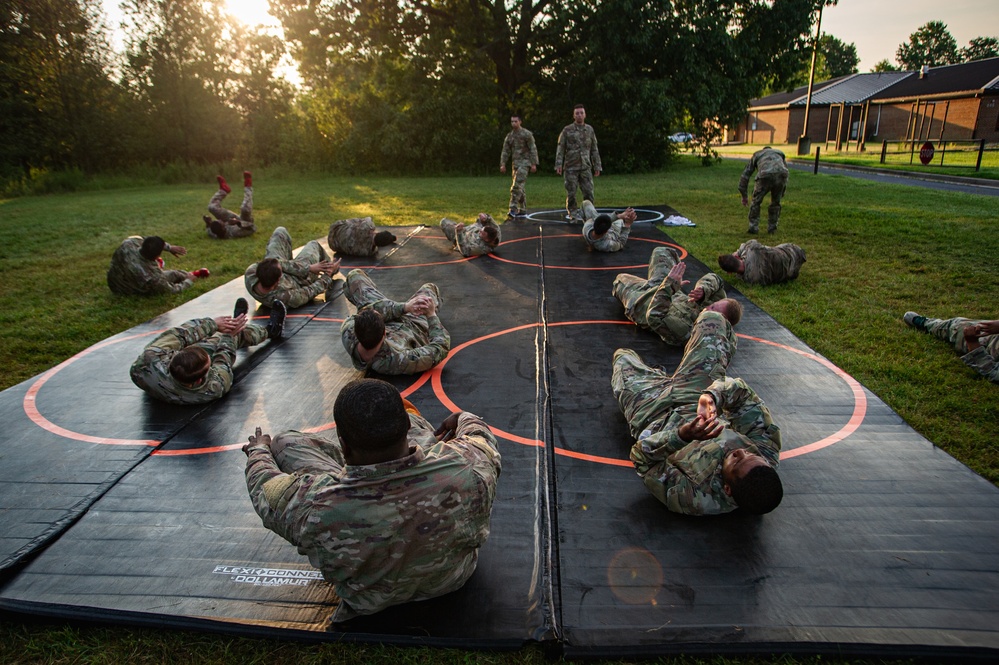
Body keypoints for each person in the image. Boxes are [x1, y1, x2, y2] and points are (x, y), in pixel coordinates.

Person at [242, 378, 501, 621]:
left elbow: (265, 488)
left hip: (369, 600)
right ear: (406, 430)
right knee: (411, 419)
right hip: (450, 580)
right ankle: (395, 437)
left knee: (285, 442)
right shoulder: (468, 465)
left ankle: (369, 450)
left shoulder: (315, 504)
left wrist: (258, 450)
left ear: (343, 446)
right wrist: (464, 418)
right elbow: (481, 438)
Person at [611, 309, 783, 516]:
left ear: (727, 488)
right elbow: (742, 395)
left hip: (652, 412)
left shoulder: (694, 497)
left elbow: (642, 459)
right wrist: (712, 397)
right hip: (695, 392)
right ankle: (680, 325)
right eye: (749, 453)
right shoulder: (765, 451)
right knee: (712, 319)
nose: (741, 452)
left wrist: (682, 436)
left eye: (736, 460)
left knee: (621, 357)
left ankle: (655, 377)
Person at [130, 298, 286, 405]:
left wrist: (213, 324)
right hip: (181, 380)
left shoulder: (147, 363)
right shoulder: (214, 387)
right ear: (199, 380)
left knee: (199, 336)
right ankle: (270, 331)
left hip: (160, 382)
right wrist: (228, 334)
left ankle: (231, 324)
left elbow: (179, 334)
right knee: (226, 338)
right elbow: (224, 358)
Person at [613, 247, 742, 346]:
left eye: (713, 310)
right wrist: (703, 289)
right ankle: (658, 280)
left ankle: (647, 284)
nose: (708, 308)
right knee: (663, 251)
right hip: (667, 286)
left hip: (642, 301)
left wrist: (670, 285)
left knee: (619, 280)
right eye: (712, 306)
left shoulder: (686, 331)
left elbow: (654, 315)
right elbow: (716, 279)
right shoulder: (711, 311)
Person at [340, 269, 450, 375]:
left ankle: (397, 308)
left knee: (355, 276)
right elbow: (440, 348)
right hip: (415, 325)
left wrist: (405, 307)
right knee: (429, 290)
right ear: (384, 334)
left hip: (396, 315)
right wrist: (431, 315)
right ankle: (432, 307)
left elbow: (368, 310)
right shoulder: (397, 360)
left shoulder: (349, 329)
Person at [244, 226, 341, 309]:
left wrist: (308, 267)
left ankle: (296, 264)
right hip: (301, 280)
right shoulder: (285, 297)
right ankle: (330, 267)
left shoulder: (251, 273)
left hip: (298, 270)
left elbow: (278, 262)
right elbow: (310, 291)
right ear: (277, 282)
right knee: (313, 245)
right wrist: (328, 275)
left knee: (280, 232)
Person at [903, 312, 999, 383]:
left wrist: (973, 343)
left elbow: (992, 372)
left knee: (957, 326)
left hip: (989, 345)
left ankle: (927, 324)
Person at [107, 235, 210, 296]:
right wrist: (188, 282)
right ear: (157, 256)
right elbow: (171, 290)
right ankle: (191, 276)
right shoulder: (153, 277)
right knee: (174, 274)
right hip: (128, 290)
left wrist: (169, 248)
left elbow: (145, 239)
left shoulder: (128, 244)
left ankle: (189, 274)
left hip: (114, 282)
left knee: (174, 274)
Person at [555, 104, 601, 221]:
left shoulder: (590, 130)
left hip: (585, 166)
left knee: (588, 192)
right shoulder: (567, 130)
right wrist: (559, 164)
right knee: (571, 192)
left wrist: (597, 165)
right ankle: (573, 213)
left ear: (585, 115)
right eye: (577, 113)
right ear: (573, 115)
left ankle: (588, 212)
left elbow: (594, 149)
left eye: (581, 113)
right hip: (571, 167)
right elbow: (561, 148)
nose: (579, 115)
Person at [739, 146, 789, 234]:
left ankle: (753, 227)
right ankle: (772, 228)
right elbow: (785, 171)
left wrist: (744, 195)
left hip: (764, 175)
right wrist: (782, 192)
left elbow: (745, 175)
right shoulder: (779, 153)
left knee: (756, 202)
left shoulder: (757, 154)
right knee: (775, 203)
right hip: (781, 175)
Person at [499, 114, 539, 218]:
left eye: (515, 121)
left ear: (520, 122)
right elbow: (505, 151)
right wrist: (503, 164)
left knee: (516, 186)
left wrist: (534, 163)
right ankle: (523, 208)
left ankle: (513, 208)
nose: (513, 123)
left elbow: (532, 148)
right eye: (512, 121)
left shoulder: (526, 134)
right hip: (515, 164)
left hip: (525, 163)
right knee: (520, 187)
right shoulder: (510, 136)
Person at [717, 239, 805, 286]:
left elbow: (741, 273)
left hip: (792, 272)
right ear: (736, 257)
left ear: (730, 272)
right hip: (793, 252)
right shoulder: (752, 249)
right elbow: (750, 242)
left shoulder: (750, 280)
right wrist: (738, 252)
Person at [203, 172, 256, 239]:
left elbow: (209, 229)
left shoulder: (213, 233)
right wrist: (238, 222)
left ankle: (223, 190)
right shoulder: (235, 232)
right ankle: (248, 186)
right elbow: (253, 228)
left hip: (231, 221)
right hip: (244, 223)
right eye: (221, 222)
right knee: (245, 209)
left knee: (211, 207)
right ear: (223, 228)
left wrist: (208, 223)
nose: (221, 220)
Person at [327, 216, 396, 257]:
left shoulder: (367, 227)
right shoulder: (367, 252)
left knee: (358, 222)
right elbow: (375, 249)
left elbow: (368, 218)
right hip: (334, 245)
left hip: (335, 229)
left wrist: (371, 229)